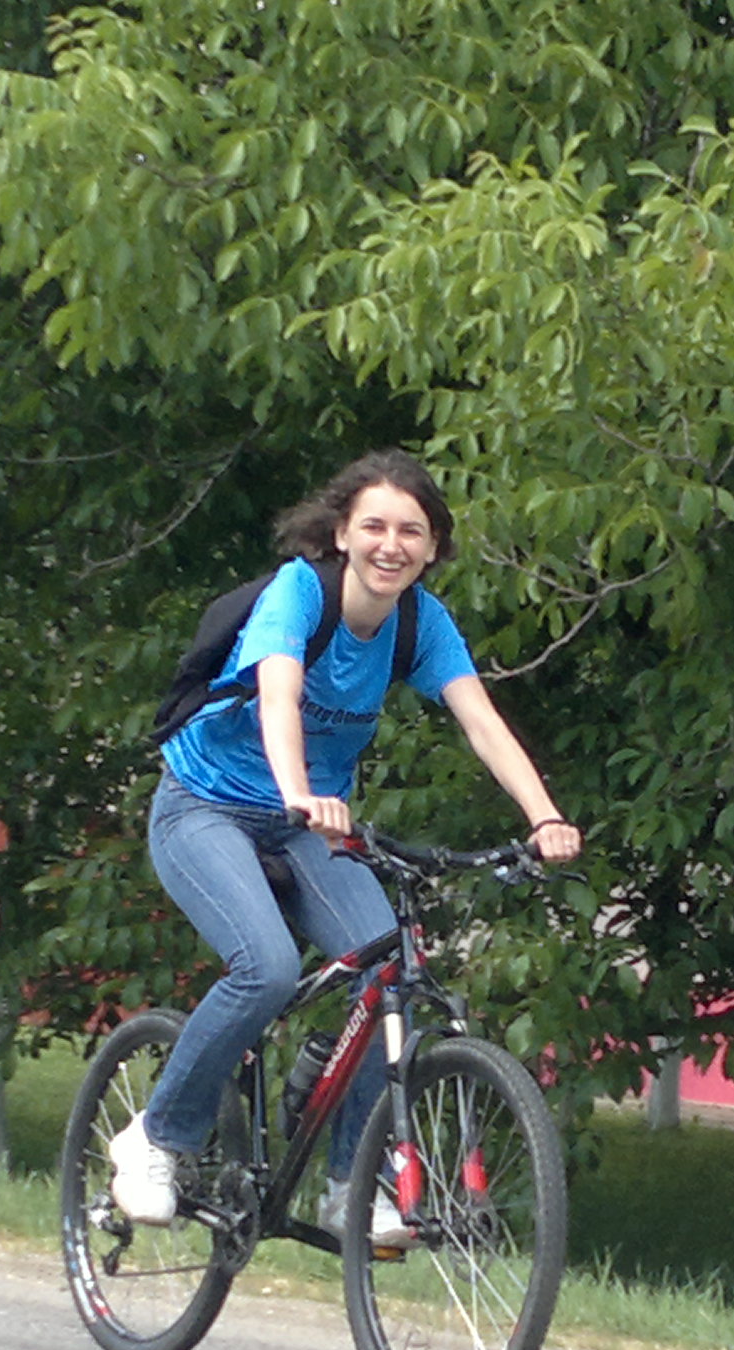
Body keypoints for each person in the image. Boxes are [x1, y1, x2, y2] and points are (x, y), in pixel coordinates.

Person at [107, 449, 582, 1244]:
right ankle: (157, 1136)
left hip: (310, 823)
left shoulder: (421, 623)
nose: (391, 545)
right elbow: (279, 695)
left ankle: (347, 1187)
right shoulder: (300, 593)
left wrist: (544, 818)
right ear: (341, 534)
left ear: (433, 547)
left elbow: (482, 723)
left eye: (411, 531)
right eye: (374, 527)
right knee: (266, 968)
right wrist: (297, 790)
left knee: (389, 969)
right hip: (205, 806)